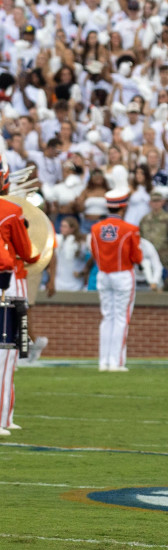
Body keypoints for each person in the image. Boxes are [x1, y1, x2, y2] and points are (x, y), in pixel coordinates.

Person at [90, 188, 157, 372]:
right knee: (121, 318)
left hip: (103, 274)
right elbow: (136, 256)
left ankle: (103, 362)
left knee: (107, 317)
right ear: (123, 207)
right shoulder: (130, 229)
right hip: (123, 274)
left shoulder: (95, 229)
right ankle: (116, 362)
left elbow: (95, 253)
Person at [0, 160, 38, 435]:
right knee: (7, 352)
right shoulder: (11, 210)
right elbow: (29, 253)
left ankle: (7, 415)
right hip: (8, 282)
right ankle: (2, 418)